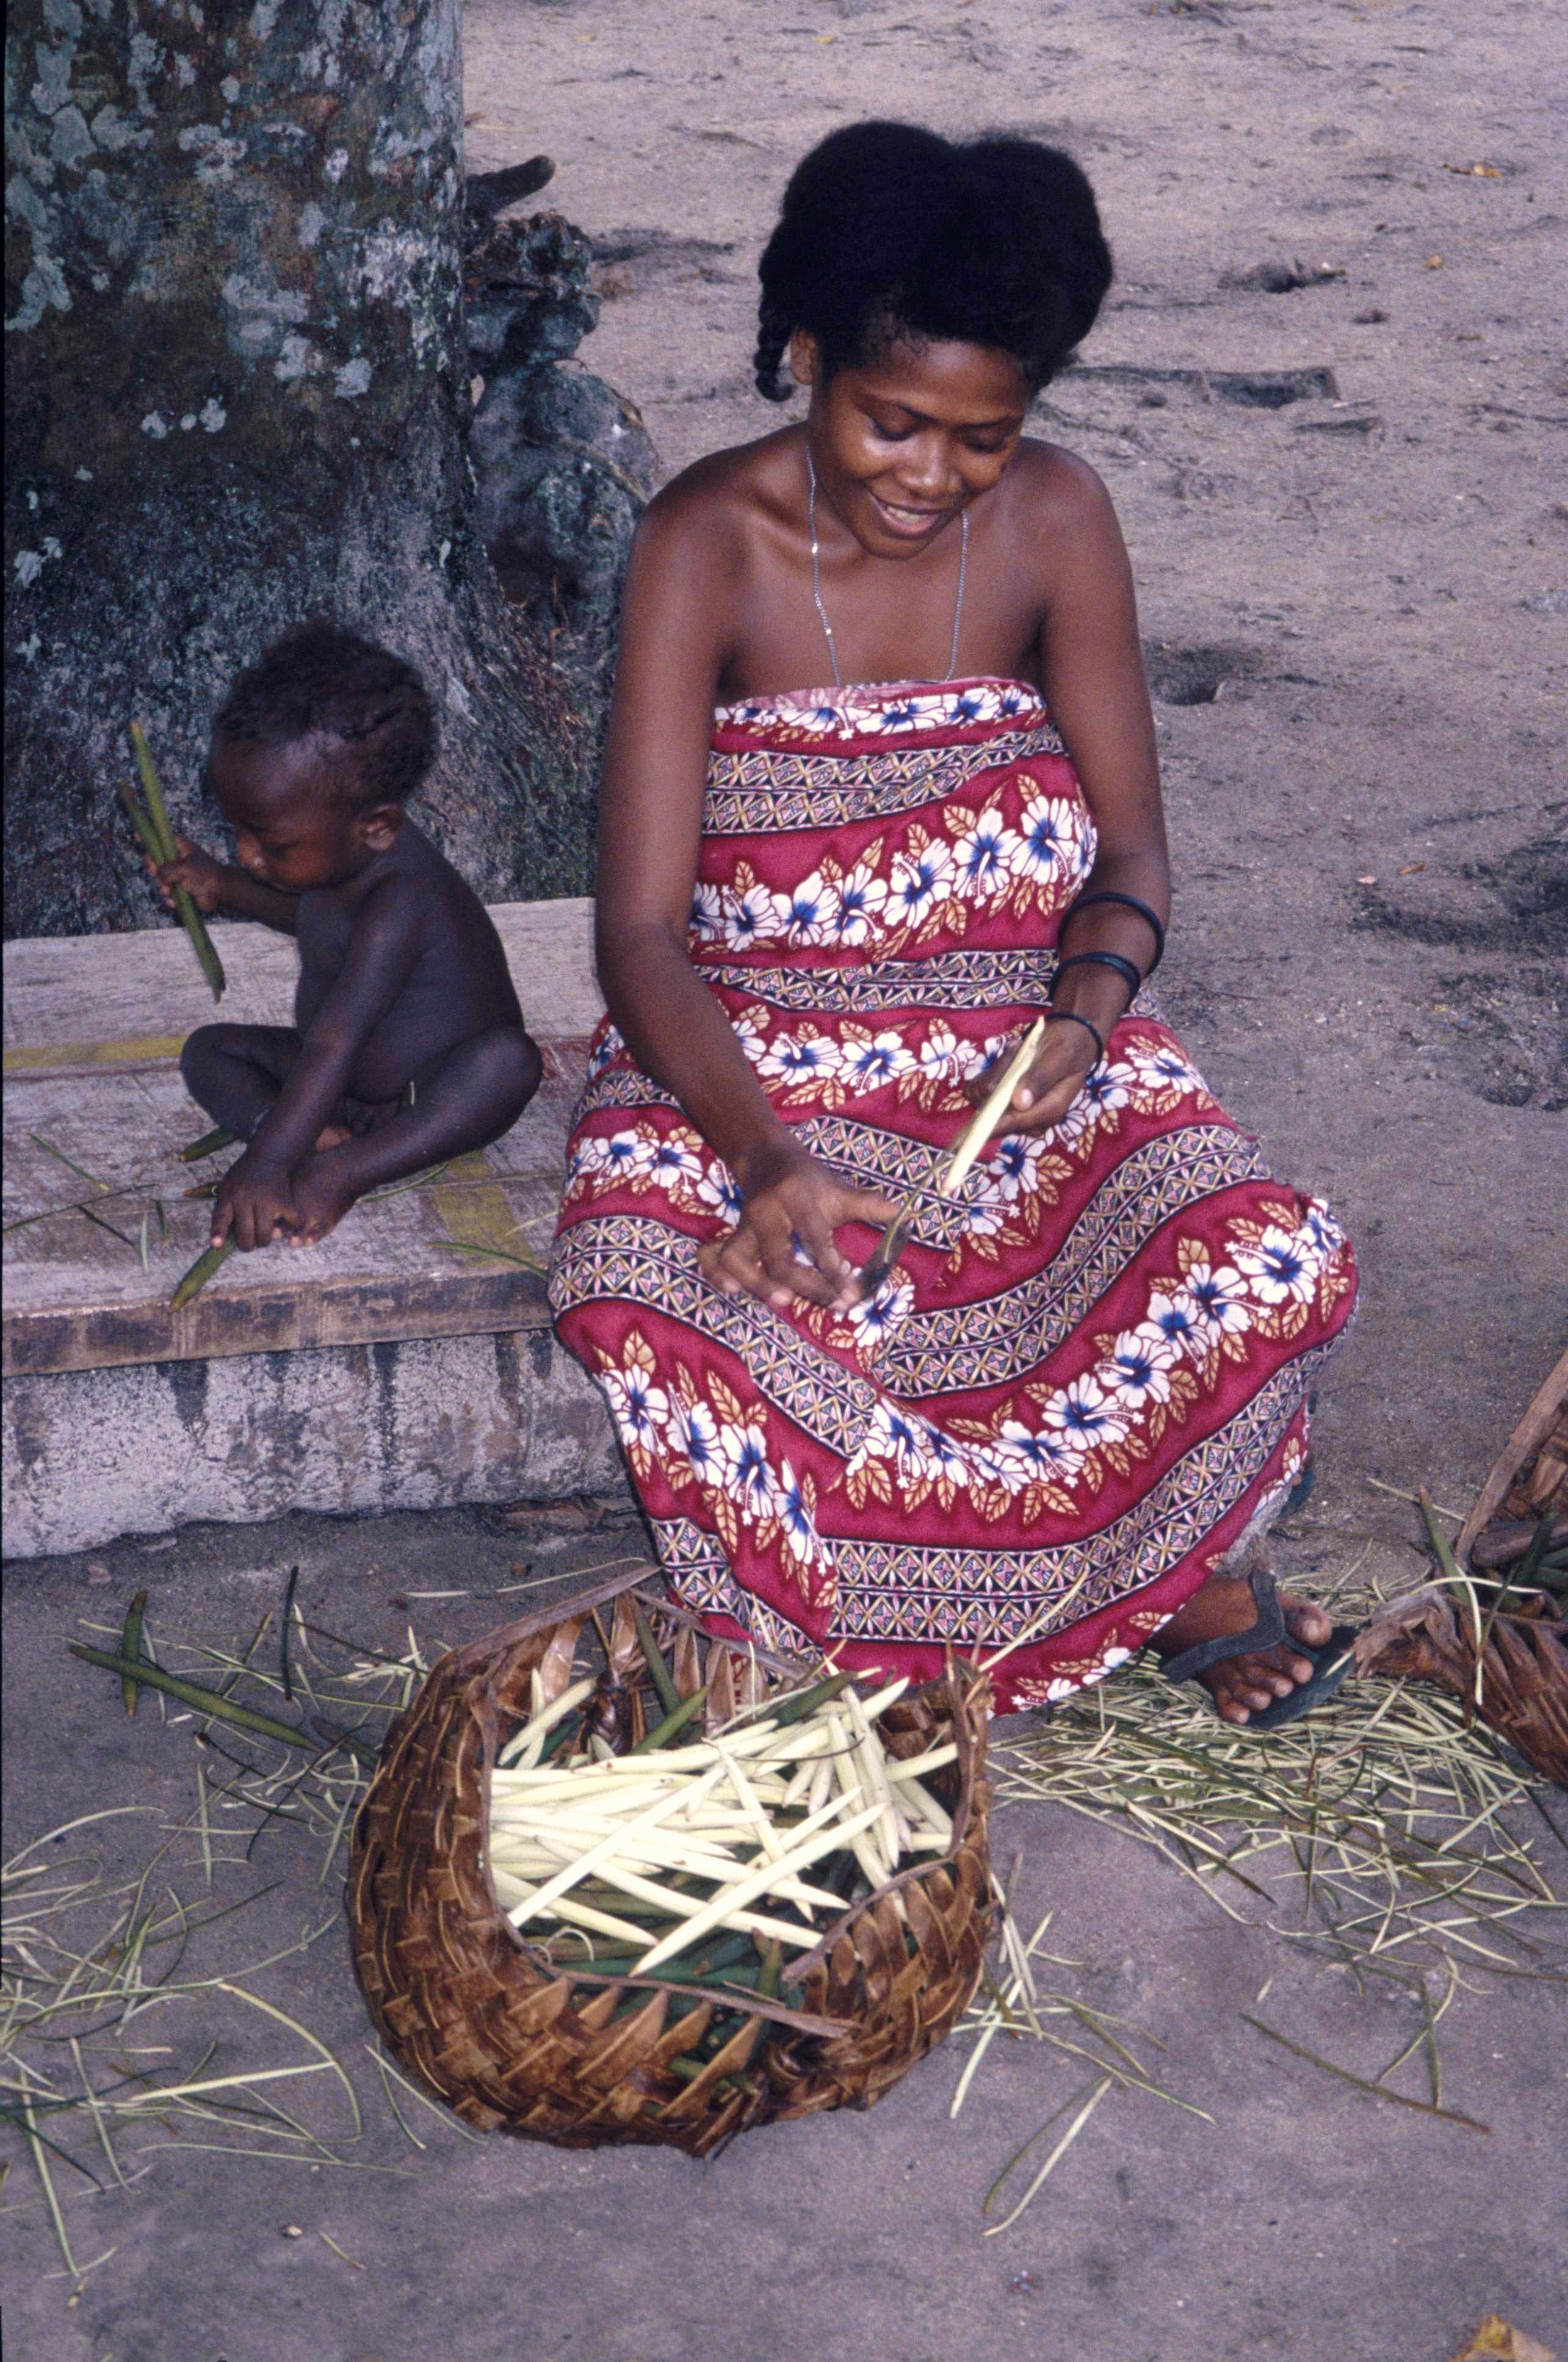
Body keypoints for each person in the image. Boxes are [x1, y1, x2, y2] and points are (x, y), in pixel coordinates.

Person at [551, 123, 1359, 1724]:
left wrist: (1091, 995)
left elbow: (1129, 848)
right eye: (892, 421)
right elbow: (640, 935)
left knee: (1252, 1254)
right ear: (804, 354)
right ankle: (1120, 1587)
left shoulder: (1058, 522)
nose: (930, 474)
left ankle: (1133, 1571)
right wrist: (767, 1153)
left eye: (980, 437)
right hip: (751, 1066)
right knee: (656, 1296)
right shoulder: (702, 542)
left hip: (1015, 1046)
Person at [150, 621, 542, 1253]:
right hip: (342, 1091)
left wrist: (269, 1164)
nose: (248, 854)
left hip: (423, 1097)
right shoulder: (337, 856)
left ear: (378, 826)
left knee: (507, 1065)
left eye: (270, 843)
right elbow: (307, 917)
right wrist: (221, 886)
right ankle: (316, 1132)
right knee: (208, 1053)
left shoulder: (400, 902)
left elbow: (336, 1039)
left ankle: (344, 1168)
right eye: (238, 833)